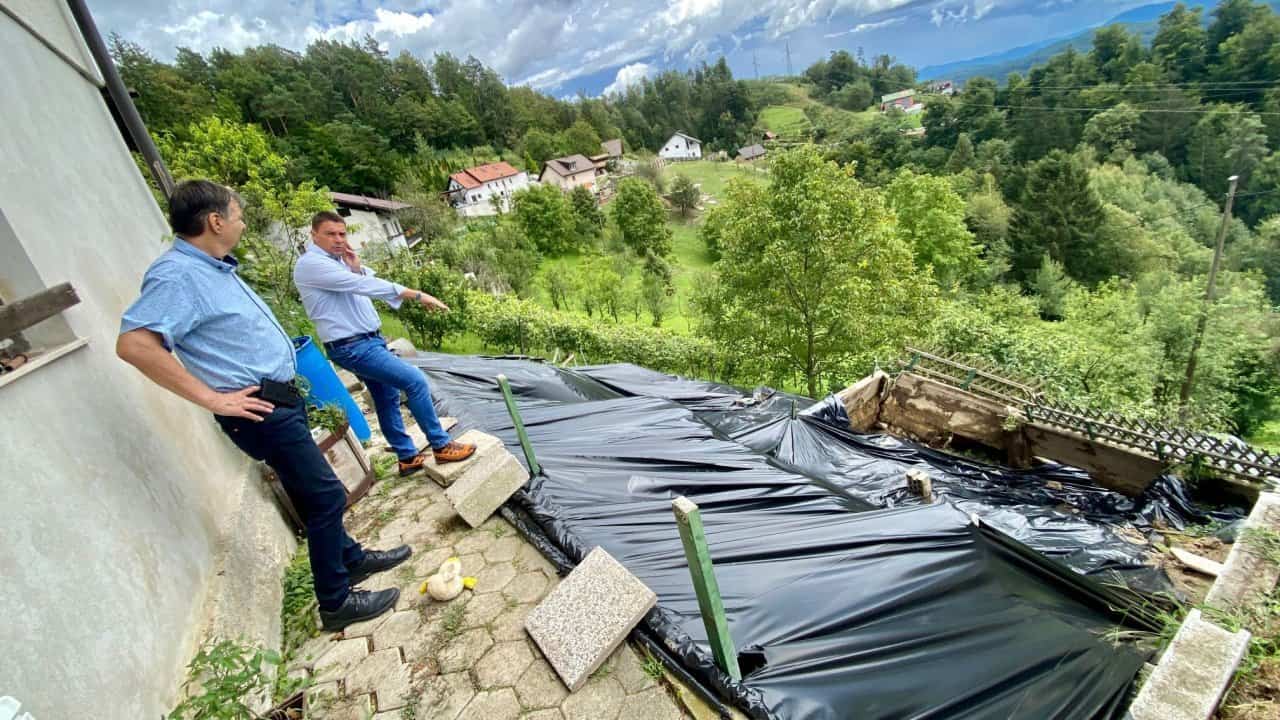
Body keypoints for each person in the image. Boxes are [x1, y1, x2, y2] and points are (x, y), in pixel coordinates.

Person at [116, 180, 409, 632]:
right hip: (259, 410)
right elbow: (135, 344)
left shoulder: (211, 268)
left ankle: (352, 559)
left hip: (277, 399)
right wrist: (213, 399)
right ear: (215, 221)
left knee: (316, 492)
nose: (243, 222)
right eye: (237, 214)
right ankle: (335, 602)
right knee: (328, 495)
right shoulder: (177, 275)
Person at [292, 211, 475, 476]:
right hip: (353, 346)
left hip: (368, 342)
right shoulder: (312, 264)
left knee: (387, 396)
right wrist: (417, 295)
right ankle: (441, 445)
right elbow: (363, 285)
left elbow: (359, 280)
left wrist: (354, 265)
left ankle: (407, 457)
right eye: (330, 234)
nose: (338, 239)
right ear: (314, 235)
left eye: (342, 233)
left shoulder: (337, 261)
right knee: (415, 380)